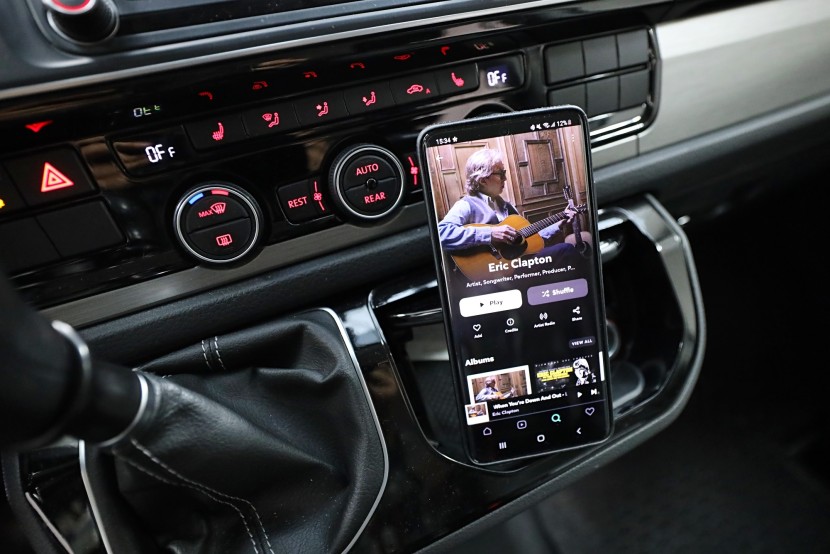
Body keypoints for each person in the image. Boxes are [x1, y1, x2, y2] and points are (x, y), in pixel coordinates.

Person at [437, 148, 579, 265]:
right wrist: (490, 234)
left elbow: (527, 238)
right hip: (492, 271)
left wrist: (558, 224)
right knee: (565, 250)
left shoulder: (506, 206)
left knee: (566, 250)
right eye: (501, 173)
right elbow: (441, 234)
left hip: (517, 263)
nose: (505, 178)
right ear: (483, 180)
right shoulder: (466, 205)